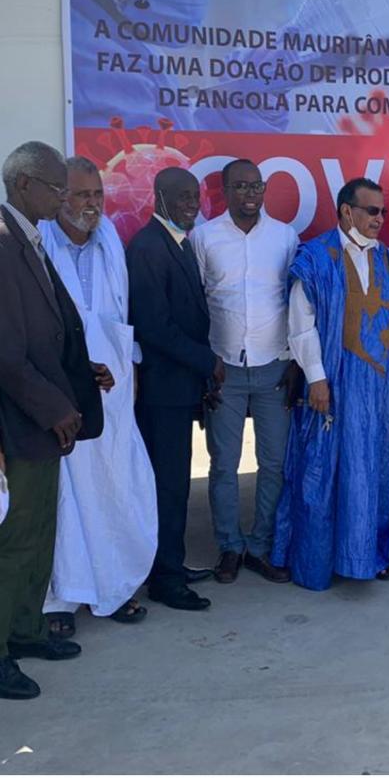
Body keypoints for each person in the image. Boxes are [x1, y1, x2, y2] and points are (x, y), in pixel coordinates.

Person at [272, 178, 389, 591]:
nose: (379, 219)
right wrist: (317, 379)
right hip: (334, 385)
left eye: (383, 212)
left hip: (379, 388)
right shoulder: (316, 257)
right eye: (372, 211)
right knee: (329, 472)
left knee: (377, 469)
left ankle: (369, 554)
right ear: (346, 211)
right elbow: (301, 324)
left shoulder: (384, 257)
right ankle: (325, 559)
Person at [0, 142, 107, 700]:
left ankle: (24, 630)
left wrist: (81, 374)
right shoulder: (2, 243)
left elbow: (49, 332)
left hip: (40, 419)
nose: (63, 198)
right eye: (55, 188)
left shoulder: (29, 237)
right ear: (23, 185)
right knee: (16, 540)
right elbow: (5, 355)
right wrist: (54, 406)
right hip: (19, 421)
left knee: (39, 532)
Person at [39, 157, 158, 634]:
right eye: (82, 195)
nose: (92, 205)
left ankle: (114, 585)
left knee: (114, 485)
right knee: (65, 495)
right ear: (59, 197)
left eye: (97, 195)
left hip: (113, 388)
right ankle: (61, 599)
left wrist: (131, 368)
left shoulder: (110, 241)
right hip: (60, 387)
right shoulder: (38, 244)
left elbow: (118, 316)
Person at [190, 159, 298, 584]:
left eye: (256, 186)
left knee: (274, 463)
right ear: (225, 190)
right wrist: (205, 362)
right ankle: (230, 547)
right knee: (223, 465)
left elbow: (296, 301)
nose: (250, 194)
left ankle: (261, 547)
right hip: (224, 370)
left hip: (274, 366)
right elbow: (196, 302)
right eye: (240, 186)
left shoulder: (285, 236)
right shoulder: (204, 237)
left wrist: (293, 359)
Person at [127, 167, 224, 612]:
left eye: (195, 195)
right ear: (159, 196)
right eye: (182, 196)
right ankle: (165, 579)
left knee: (175, 484)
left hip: (179, 388)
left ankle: (172, 563)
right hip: (162, 392)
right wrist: (208, 362)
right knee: (167, 486)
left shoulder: (178, 242)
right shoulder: (148, 247)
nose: (191, 204)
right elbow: (154, 327)